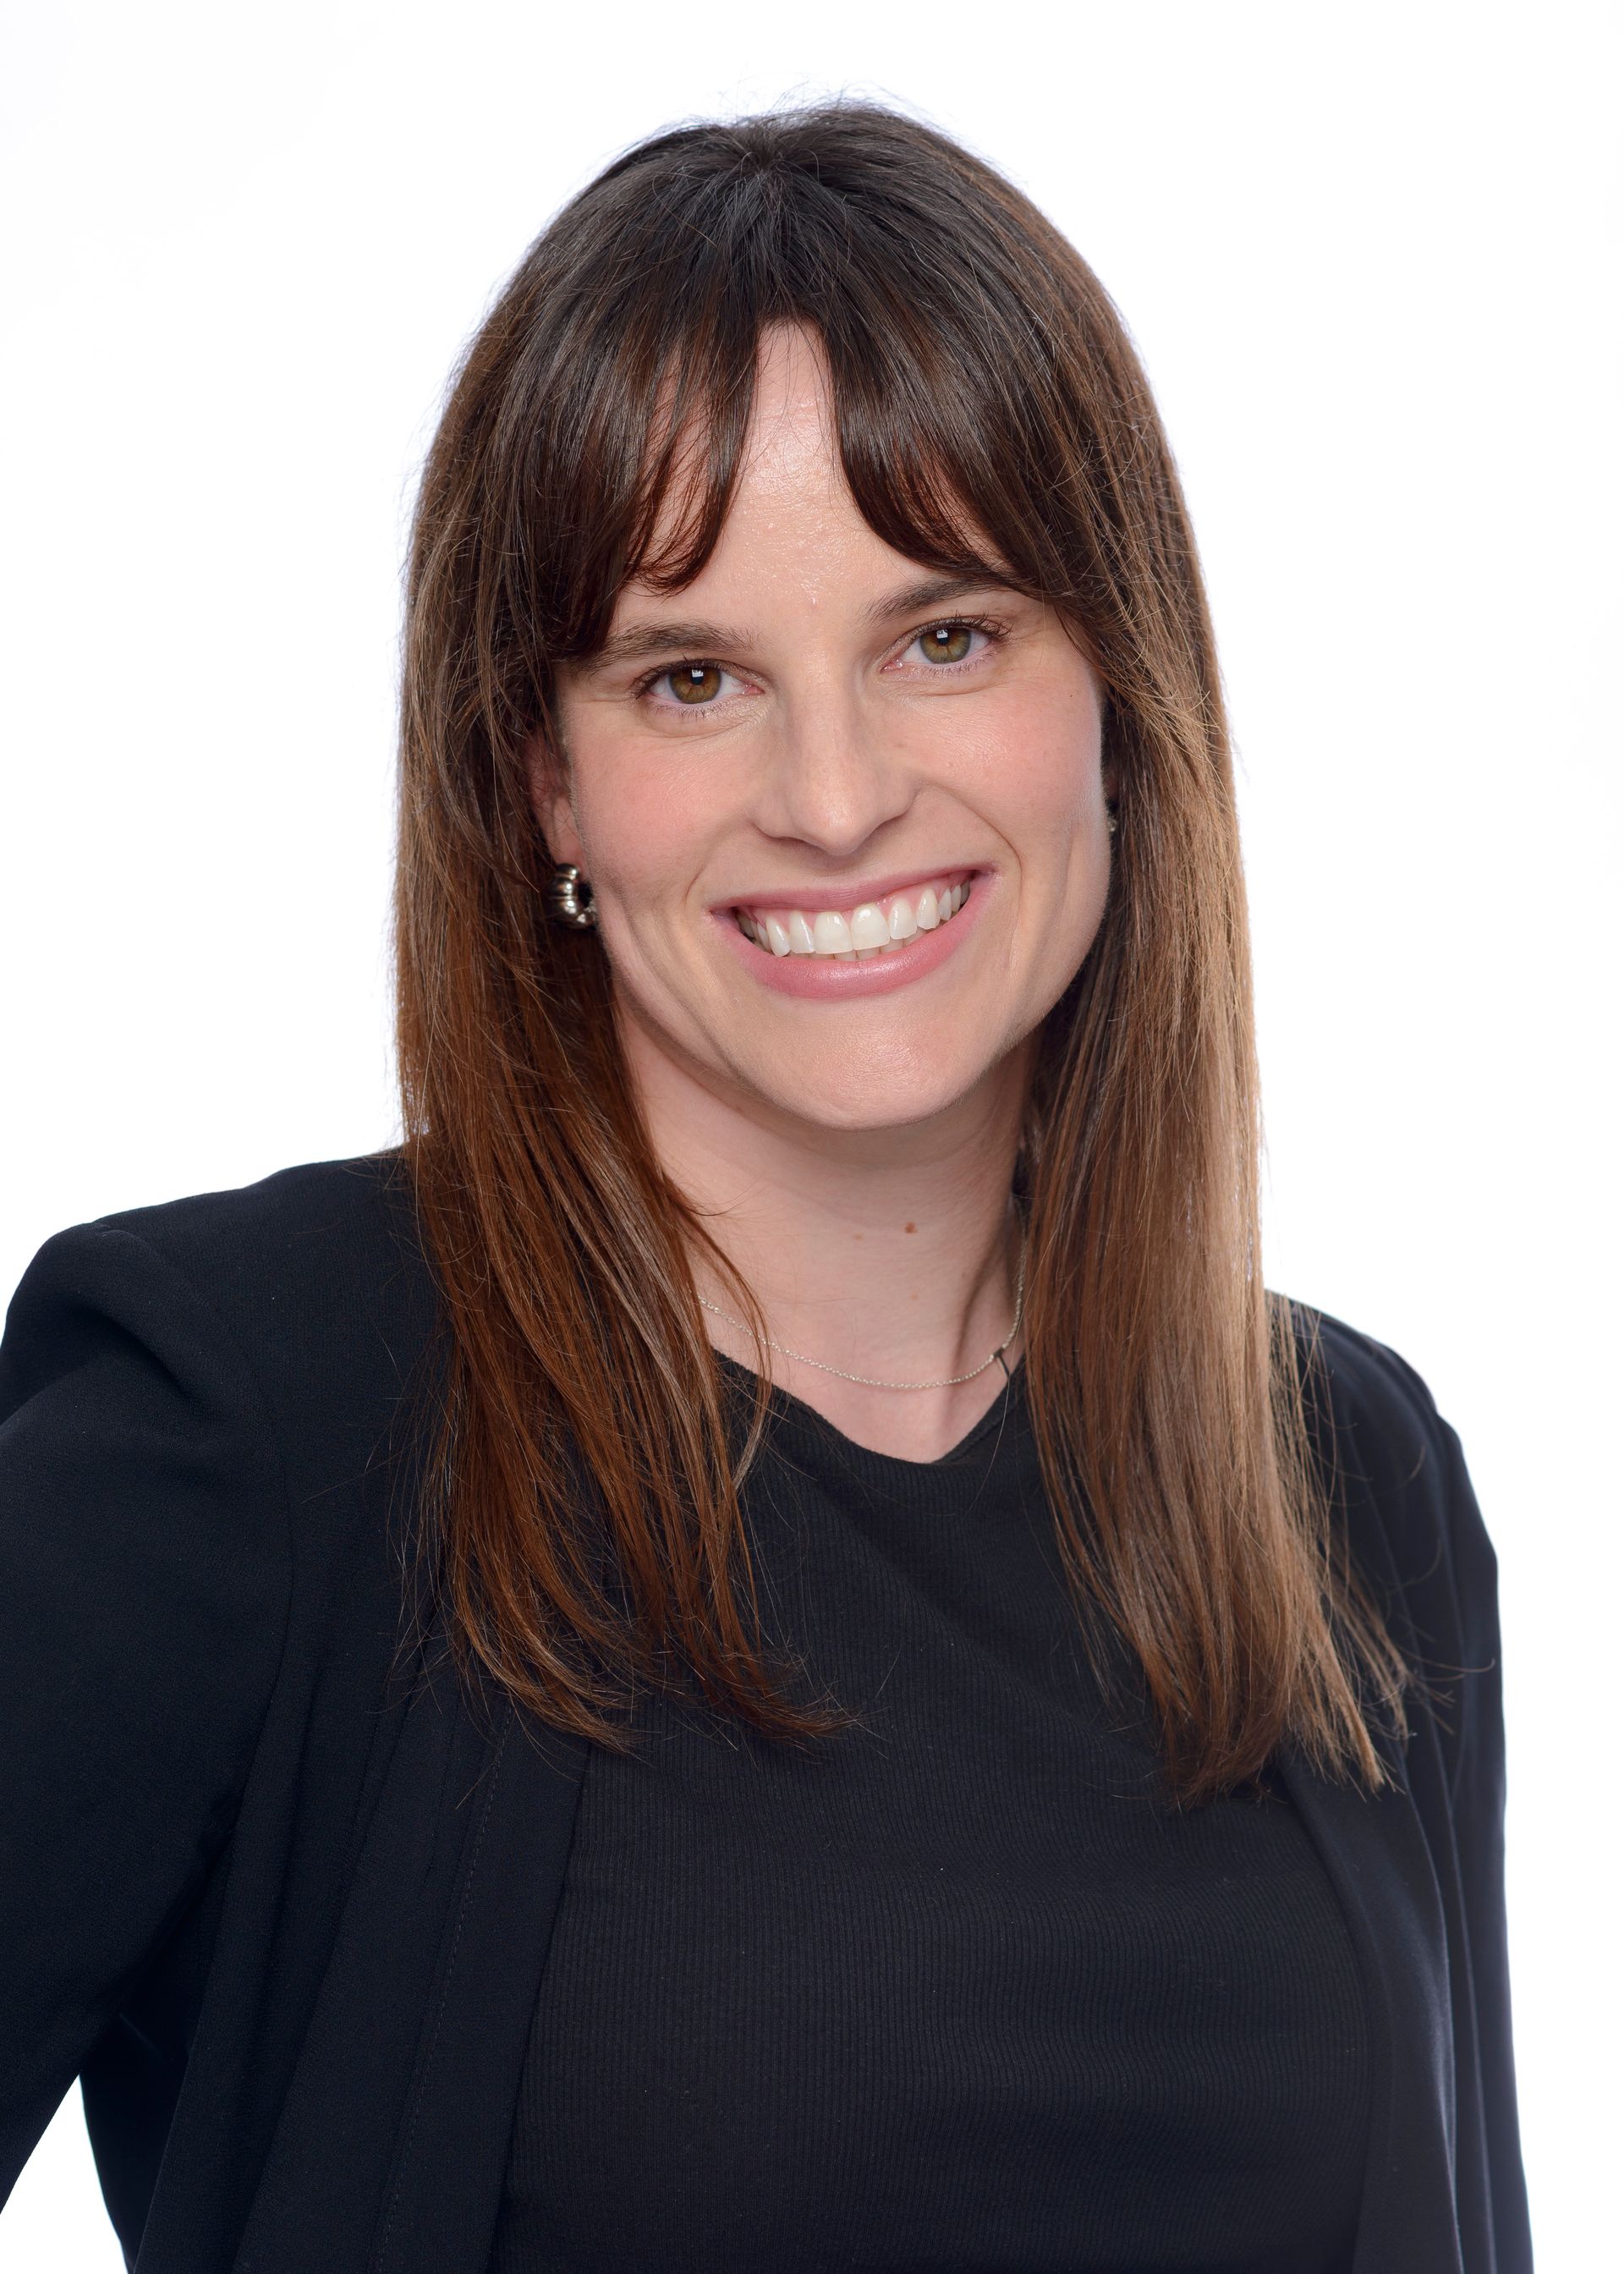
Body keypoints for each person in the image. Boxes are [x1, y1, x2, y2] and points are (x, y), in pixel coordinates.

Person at [0, 101, 1530, 2274]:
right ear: (545, 773)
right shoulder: (244, 1432)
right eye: (691, 676)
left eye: (948, 637)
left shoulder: (1347, 1481)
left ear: (1118, 691)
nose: (836, 799)